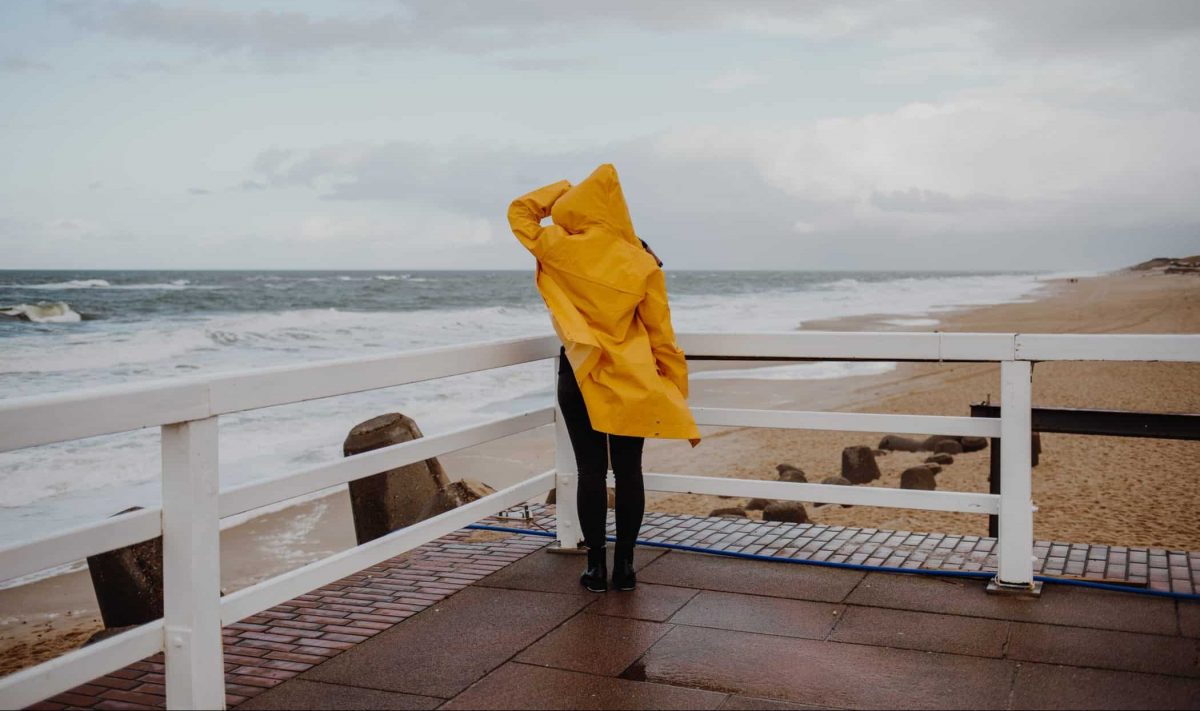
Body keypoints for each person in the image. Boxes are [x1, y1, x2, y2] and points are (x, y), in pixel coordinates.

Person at [507, 163, 700, 593]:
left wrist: (562, 190)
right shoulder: (642, 261)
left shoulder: (558, 246)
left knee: (590, 471)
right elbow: (661, 335)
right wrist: (673, 386)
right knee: (629, 472)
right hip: (631, 378)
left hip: (578, 371)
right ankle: (626, 567)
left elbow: (520, 212)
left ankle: (595, 567)